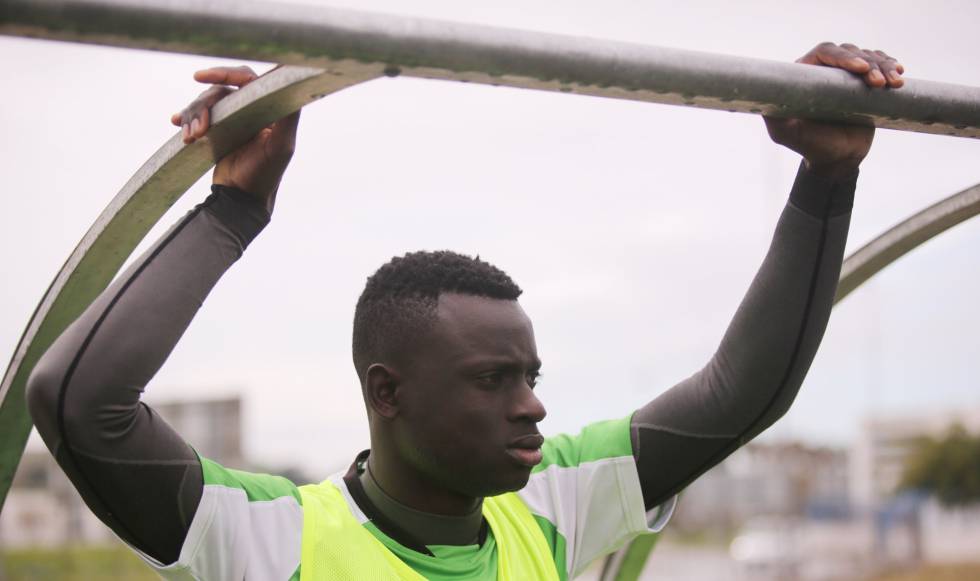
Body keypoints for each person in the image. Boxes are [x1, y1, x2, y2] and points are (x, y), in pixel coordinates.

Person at [27, 42, 905, 580]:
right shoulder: (268, 540)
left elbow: (739, 392)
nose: (532, 404)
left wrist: (828, 177)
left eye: (530, 375)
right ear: (389, 391)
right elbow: (77, 401)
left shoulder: (550, 504)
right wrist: (234, 207)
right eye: (493, 379)